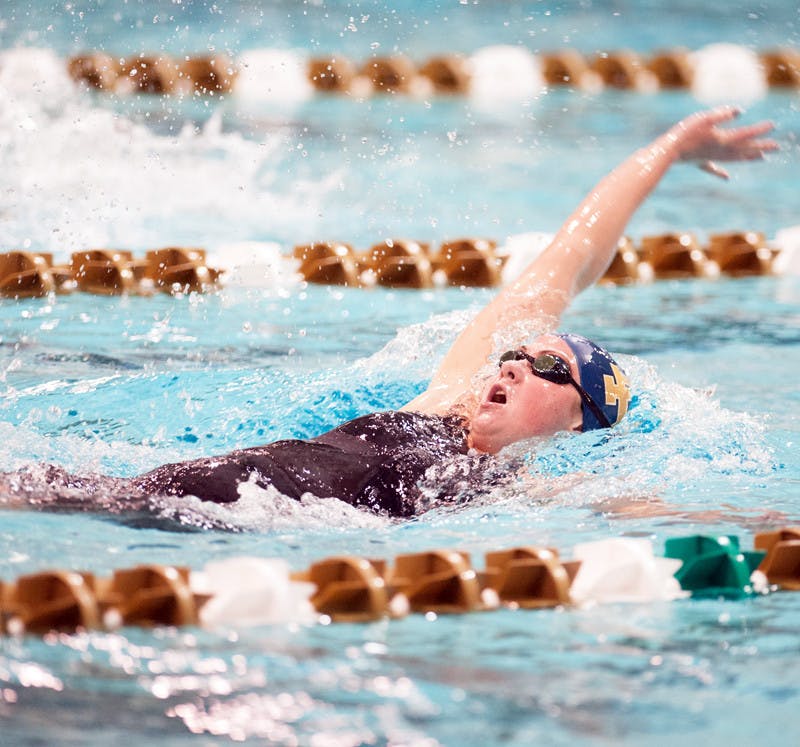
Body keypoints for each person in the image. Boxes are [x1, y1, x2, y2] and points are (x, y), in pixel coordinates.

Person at [1, 107, 778, 522]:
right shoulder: (444, 399)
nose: (512, 363)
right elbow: (567, 261)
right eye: (518, 352)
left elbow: (661, 512)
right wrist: (671, 147)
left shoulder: (520, 490)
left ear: (581, 419)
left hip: (255, 522)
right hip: (207, 484)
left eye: (548, 367)